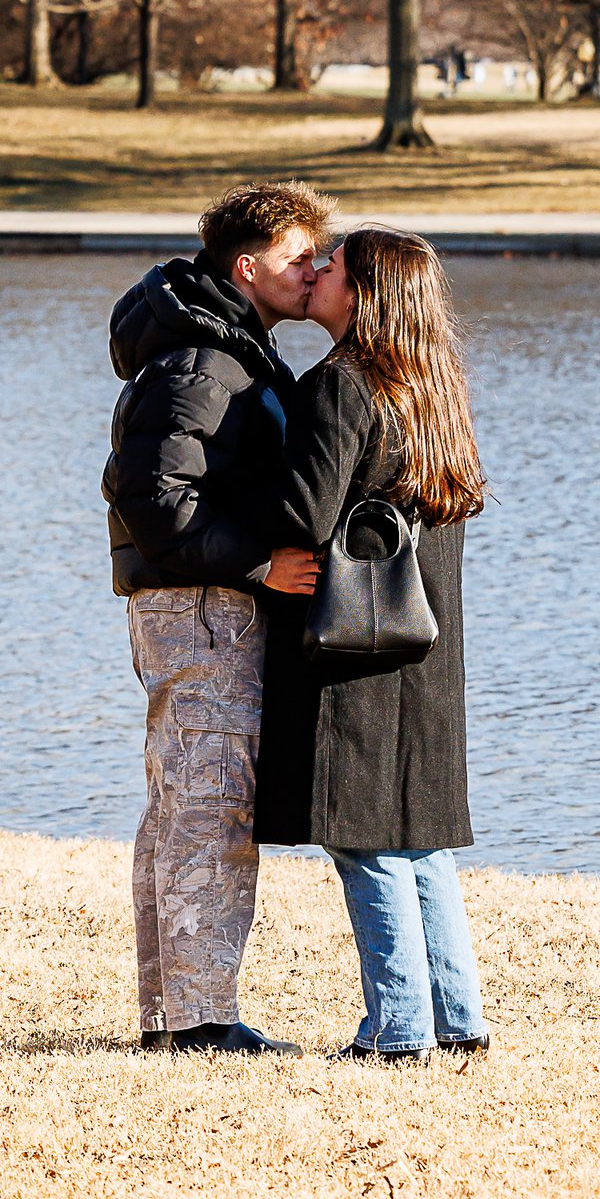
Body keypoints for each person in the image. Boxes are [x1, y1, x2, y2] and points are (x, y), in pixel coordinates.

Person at [104, 180, 331, 1055]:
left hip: (195, 606)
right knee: (210, 808)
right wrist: (258, 563)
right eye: (297, 258)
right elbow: (154, 498)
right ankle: (201, 1022)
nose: (312, 271)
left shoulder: (228, 349)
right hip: (202, 609)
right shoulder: (203, 362)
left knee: (182, 805)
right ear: (247, 268)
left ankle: (172, 1017)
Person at [256, 224, 491, 1064]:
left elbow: (304, 515)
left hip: (354, 643)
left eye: (333, 266)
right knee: (416, 837)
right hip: (425, 643)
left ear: (363, 296)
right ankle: (457, 1019)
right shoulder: (433, 385)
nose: (315, 272)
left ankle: (398, 1032)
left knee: (363, 836)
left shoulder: (341, 384)